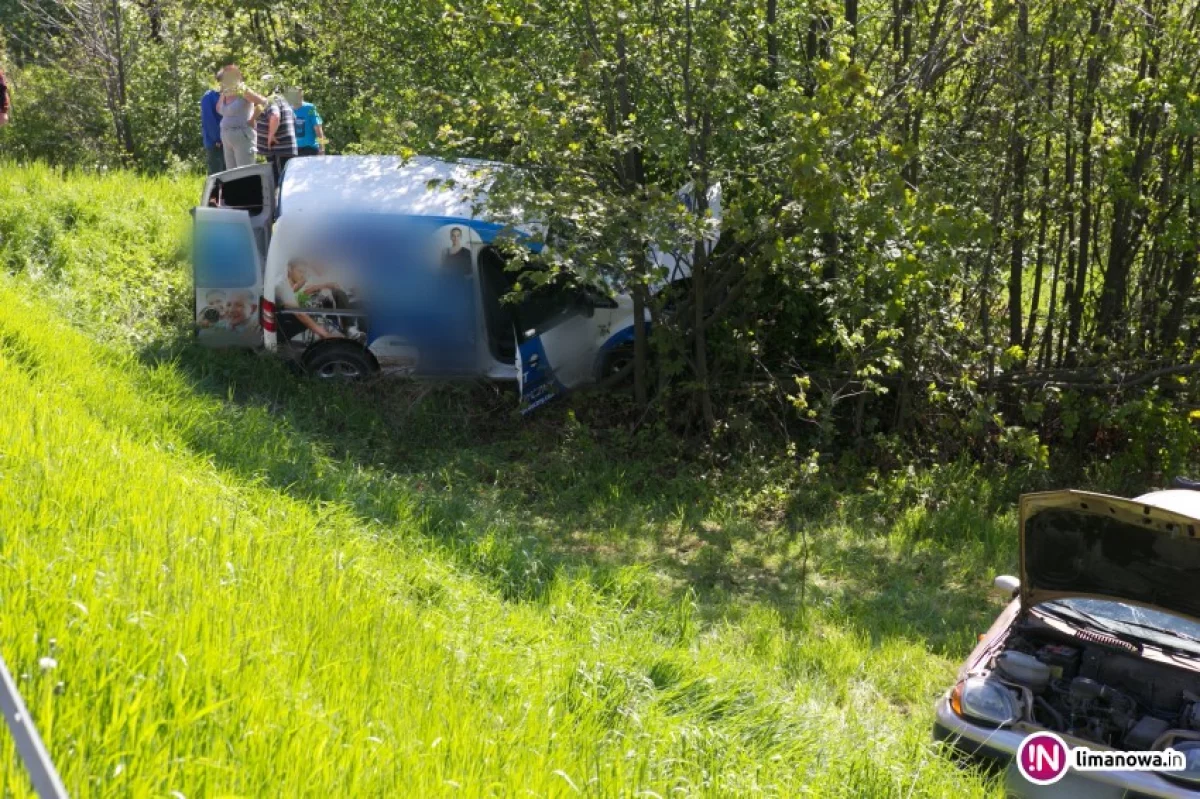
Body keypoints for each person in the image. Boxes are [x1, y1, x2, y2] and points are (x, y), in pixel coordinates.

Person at [277, 258, 342, 341]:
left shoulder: (289, 284)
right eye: (300, 271)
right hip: (282, 335)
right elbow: (299, 313)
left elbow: (297, 296)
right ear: (289, 269)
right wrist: (325, 334)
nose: (302, 275)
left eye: (304, 272)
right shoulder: (282, 286)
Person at [215, 65, 265, 171]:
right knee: (232, 174)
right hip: (226, 136)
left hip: (243, 134)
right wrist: (223, 94)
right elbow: (218, 109)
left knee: (244, 173)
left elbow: (263, 102)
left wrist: (253, 119)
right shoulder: (225, 92)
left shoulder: (243, 90)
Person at [256, 92, 298, 181]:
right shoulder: (284, 101)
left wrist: (271, 135)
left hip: (278, 148)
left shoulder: (271, 100)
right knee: (288, 179)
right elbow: (294, 119)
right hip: (288, 147)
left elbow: (275, 116)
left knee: (280, 180)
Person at [284, 87, 325, 157]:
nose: (300, 97)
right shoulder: (287, 109)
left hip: (310, 149)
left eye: (301, 95)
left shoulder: (310, 108)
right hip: (293, 150)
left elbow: (318, 129)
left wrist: (322, 148)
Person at [200, 70, 224, 174]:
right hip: (215, 144)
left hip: (229, 142)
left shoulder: (232, 97)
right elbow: (209, 121)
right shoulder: (209, 96)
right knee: (217, 176)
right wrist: (218, 138)